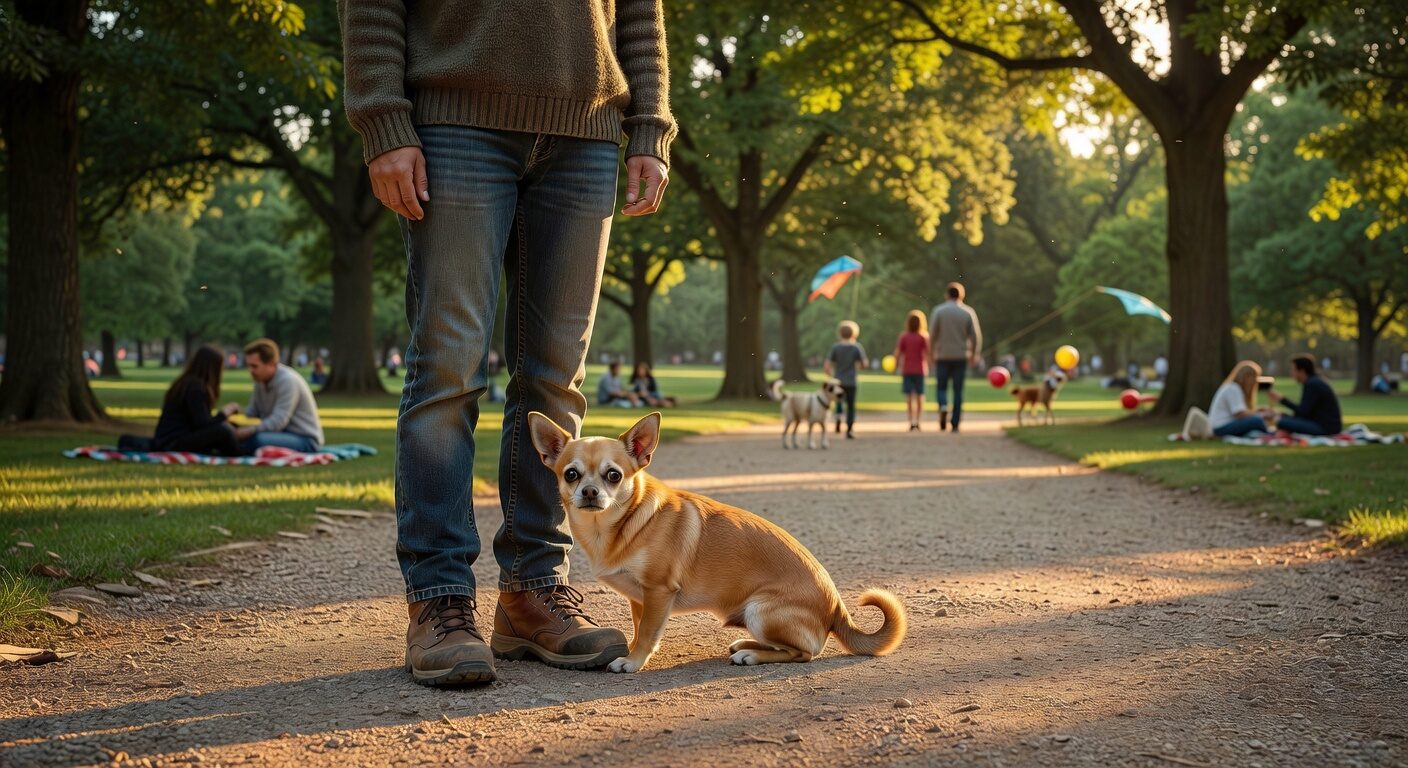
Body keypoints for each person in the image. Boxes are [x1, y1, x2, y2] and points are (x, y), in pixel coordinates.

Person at [342, 0, 675, 686]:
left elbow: (641, 10)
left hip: (587, 130)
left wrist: (649, 126)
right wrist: (382, 117)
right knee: (448, 370)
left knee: (557, 380)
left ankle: (532, 590)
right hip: (452, 121)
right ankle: (439, 601)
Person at [236, 338, 325, 453]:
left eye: (254, 366)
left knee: (256, 440)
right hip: (280, 434)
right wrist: (235, 414)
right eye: (248, 366)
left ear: (271, 364)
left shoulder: (288, 381)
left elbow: (278, 421)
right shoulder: (260, 381)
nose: (250, 371)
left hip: (304, 438)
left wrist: (251, 430)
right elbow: (252, 412)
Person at [152, 345, 240, 455]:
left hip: (170, 440)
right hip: (173, 442)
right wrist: (224, 413)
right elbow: (203, 424)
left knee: (228, 427)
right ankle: (239, 453)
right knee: (224, 431)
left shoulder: (187, 383)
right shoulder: (195, 388)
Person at [928, 282, 982, 433]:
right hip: (960, 356)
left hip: (942, 355)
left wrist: (930, 354)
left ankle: (943, 405)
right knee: (958, 390)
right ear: (962, 295)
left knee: (941, 387)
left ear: (947, 295)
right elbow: (975, 336)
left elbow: (932, 335)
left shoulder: (938, 311)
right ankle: (955, 423)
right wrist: (974, 354)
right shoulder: (968, 312)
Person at [1269, 354, 1343, 436]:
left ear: (1302, 371)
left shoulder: (1313, 384)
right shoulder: (1314, 381)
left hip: (1326, 428)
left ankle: (1284, 432)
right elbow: (1306, 411)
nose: (1291, 373)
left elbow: (1303, 413)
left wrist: (1282, 400)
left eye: (1293, 370)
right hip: (1323, 424)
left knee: (1281, 421)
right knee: (1284, 418)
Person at [1205, 360, 1274, 437]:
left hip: (1224, 426)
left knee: (1256, 422)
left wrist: (1258, 410)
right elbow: (1240, 414)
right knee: (1257, 421)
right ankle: (1271, 435)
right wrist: (1262, 415)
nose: (1255, 382)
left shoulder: (1233, 387)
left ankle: (1269, 434)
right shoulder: (1233, 388)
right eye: (1254, 378)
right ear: (1246, 377)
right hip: (1221, 428)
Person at [825, 320, 869, 439]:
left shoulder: (836, 347)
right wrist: (859, 366)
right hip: (851, 381)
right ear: (854, 333)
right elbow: (864, 364)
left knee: (838, 402)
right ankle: (849, 429)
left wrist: (829, 375)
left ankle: (838, 419)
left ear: (840, 333)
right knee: (850, 406)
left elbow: (827, 365)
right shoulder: (856, 347)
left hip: (838, 381)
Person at [893, 309, 930, 431]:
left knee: (909, 397)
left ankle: (910, 420)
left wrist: (894, 363)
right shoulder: (924, 336)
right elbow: (928, 353)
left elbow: (898, 353)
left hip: (907, 369)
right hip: (920, 369)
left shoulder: (904, 336)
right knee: (920, 396)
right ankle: (918, 420)